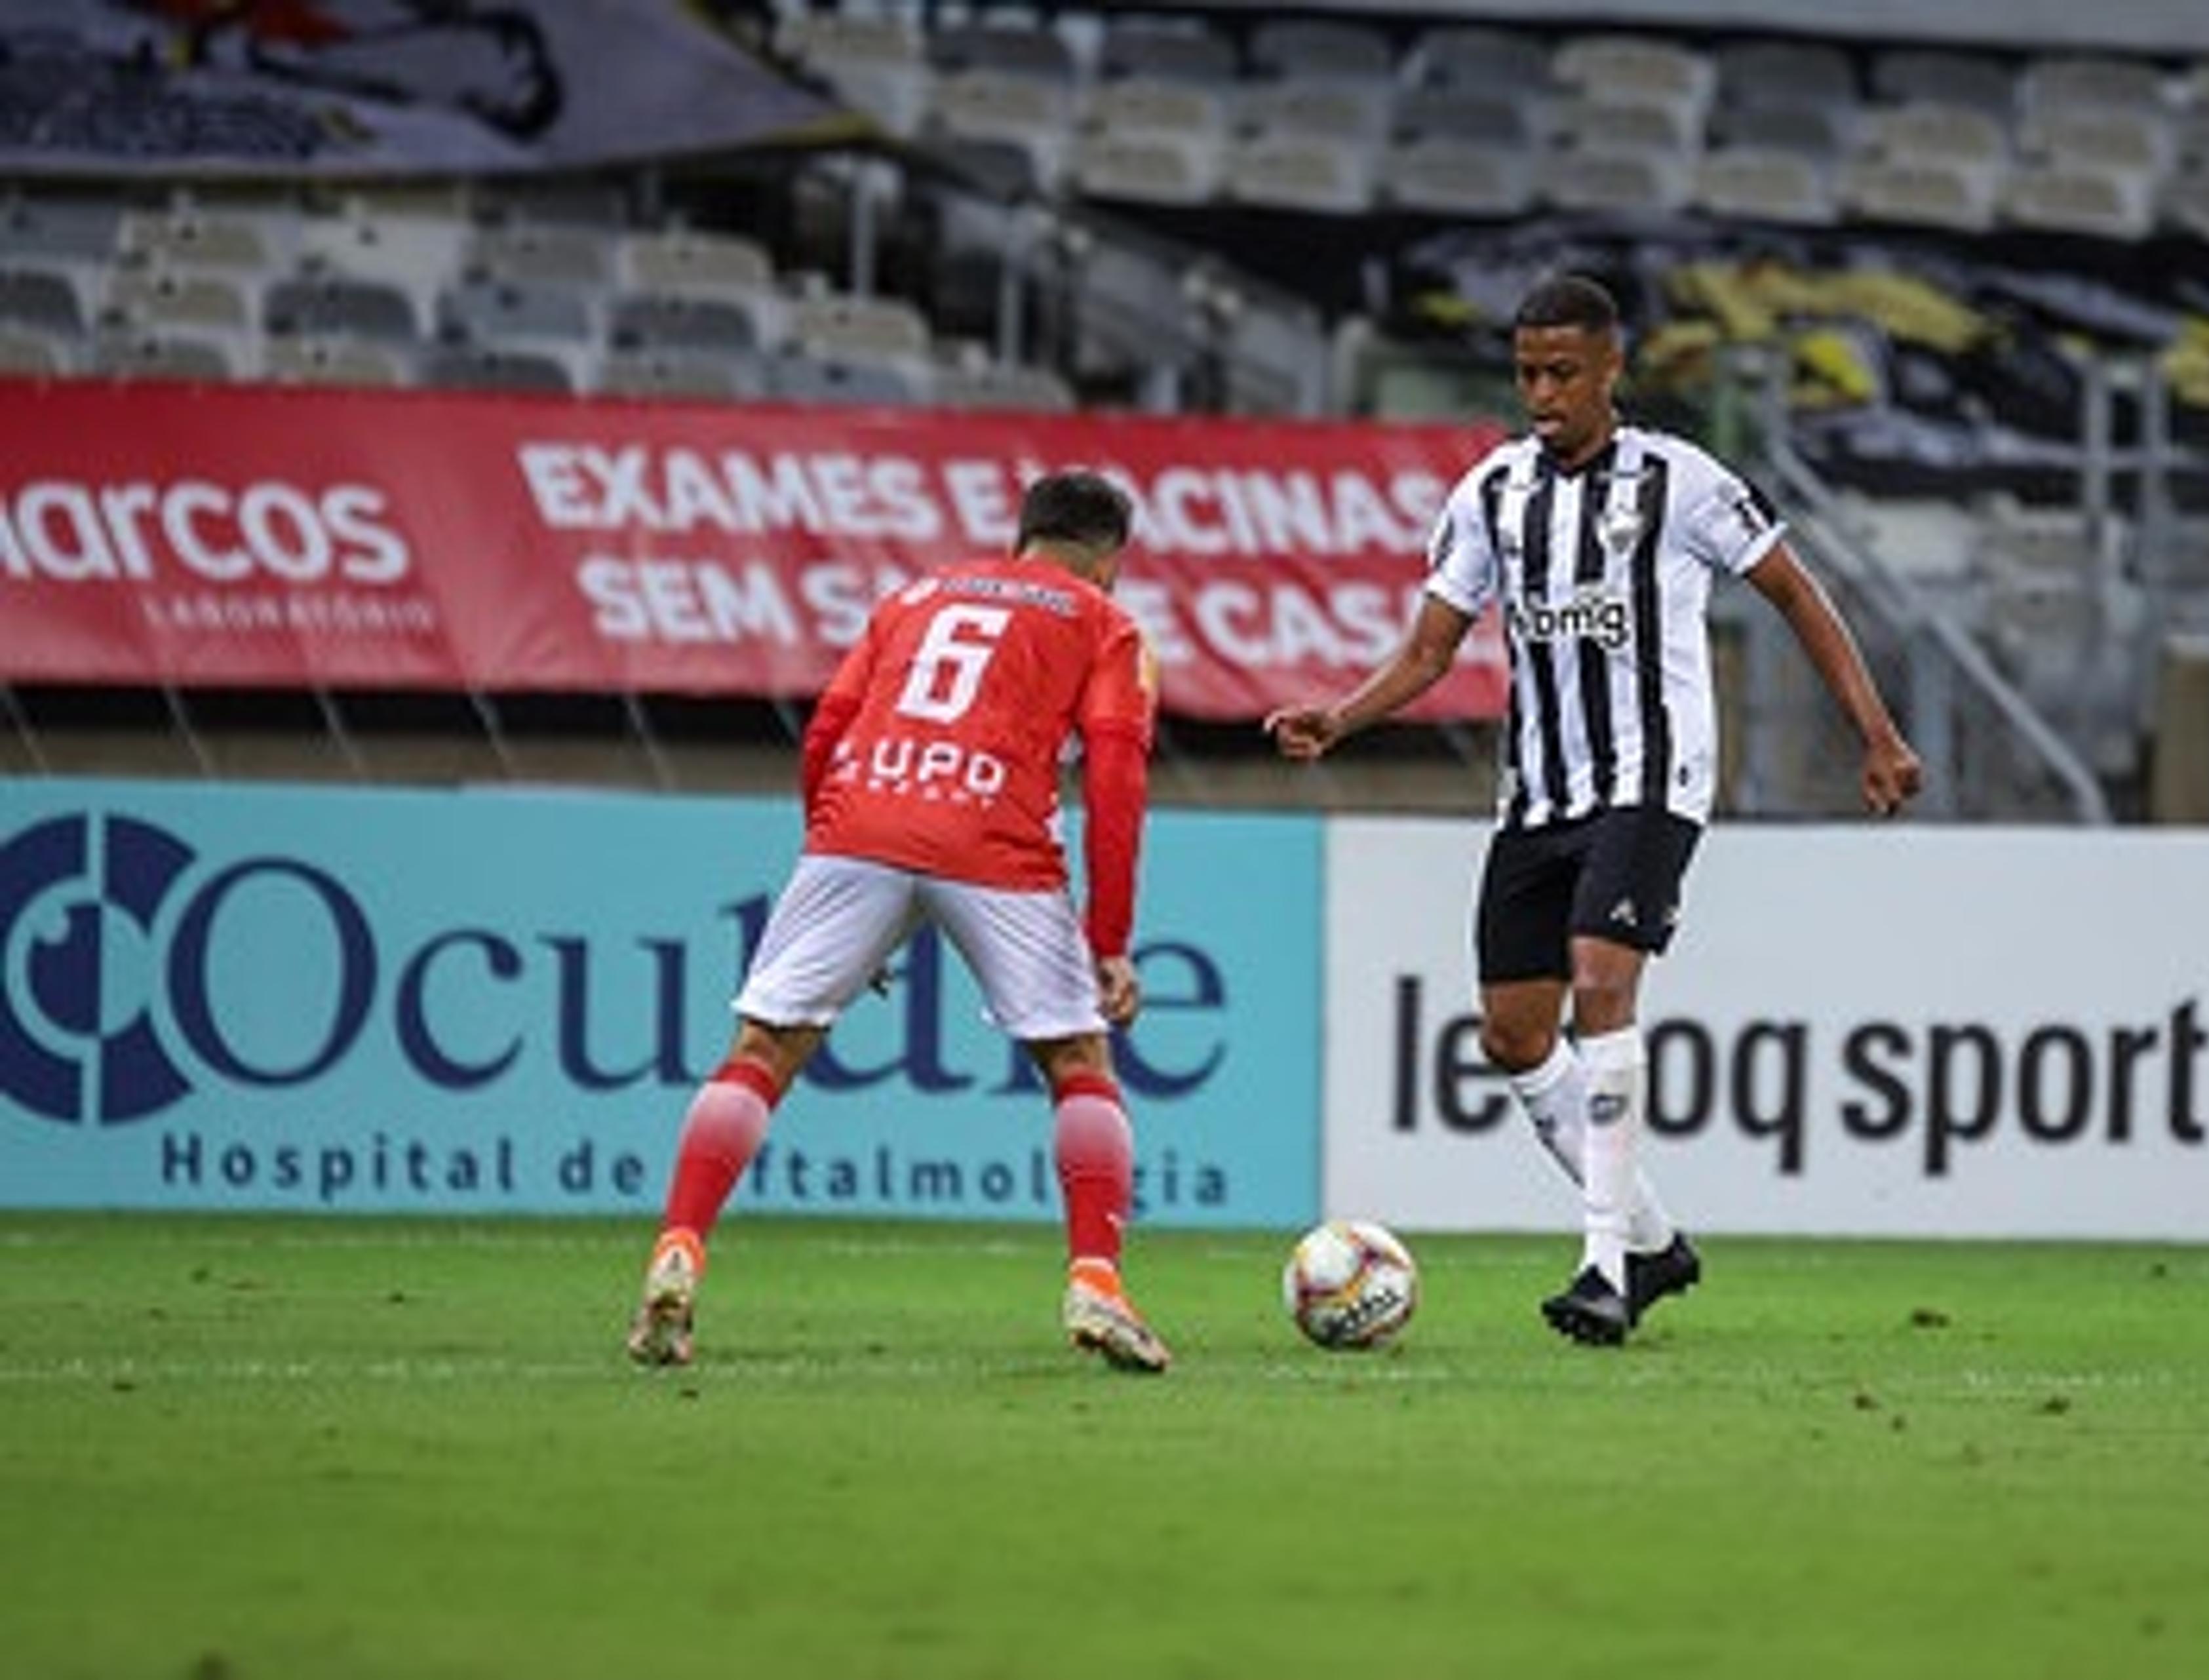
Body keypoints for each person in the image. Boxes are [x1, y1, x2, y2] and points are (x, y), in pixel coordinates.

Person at [1266, 273, 1923, 1348]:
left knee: (1601, 981)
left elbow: (1797, 593)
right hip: (1538, 796)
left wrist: (1878, 733)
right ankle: (1656, 1242)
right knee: (1514, 1034)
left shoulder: (1684, 481)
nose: (1542, 393)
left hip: (1651, 783)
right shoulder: (1491, 494)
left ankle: (1604, 1268)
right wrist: (1341, 719)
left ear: (1614, 370)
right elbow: (1432, 649)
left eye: (1563, 373)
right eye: (1527, 372)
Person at [627, 469, 1173, 1373]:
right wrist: (1109, 942)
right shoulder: (1106, 623)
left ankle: (677, 1249)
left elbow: (824, 735)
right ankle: (1096, 1283)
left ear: (1021, 536)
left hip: (860, 823)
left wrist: (838, 863)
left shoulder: (913, 598)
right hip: (996, 835)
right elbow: (1117, 781)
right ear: (1111, 558)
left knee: (761, 1049)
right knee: (1079, 1062)